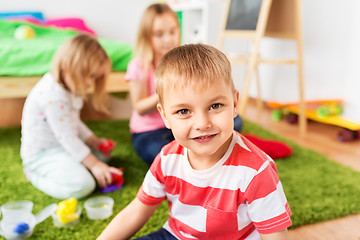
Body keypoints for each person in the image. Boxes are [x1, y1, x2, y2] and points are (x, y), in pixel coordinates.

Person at [97, 44, 291, 240]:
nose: (202, 123)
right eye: (183, 111)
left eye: (215, 106)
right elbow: (136, 211)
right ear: (164, 116)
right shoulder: (167, 158)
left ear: (234, 104)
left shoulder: (257, 171)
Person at [126, 3, 243, 165]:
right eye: (159, 34)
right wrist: (166, 93)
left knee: (235, 121)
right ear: (147, 36)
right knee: (164, 159)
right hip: (150, 131)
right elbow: (139, 107)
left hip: (187, 122)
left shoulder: (182, 61)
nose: (168, 39)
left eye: (172, 32)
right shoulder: (139, 66)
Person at [20, 34, 122, 200]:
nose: (91, 83)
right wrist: (94, 165)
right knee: (83, 185)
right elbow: (66, 137)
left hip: (63, 146)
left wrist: (93, 141)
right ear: (67, 67)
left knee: (104, 155)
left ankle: (82, 163)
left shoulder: (71, 87)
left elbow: (74, 123)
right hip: (43, 154)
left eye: (94, 77)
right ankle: (34, 175)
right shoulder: (53, 95)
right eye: (89, 76)